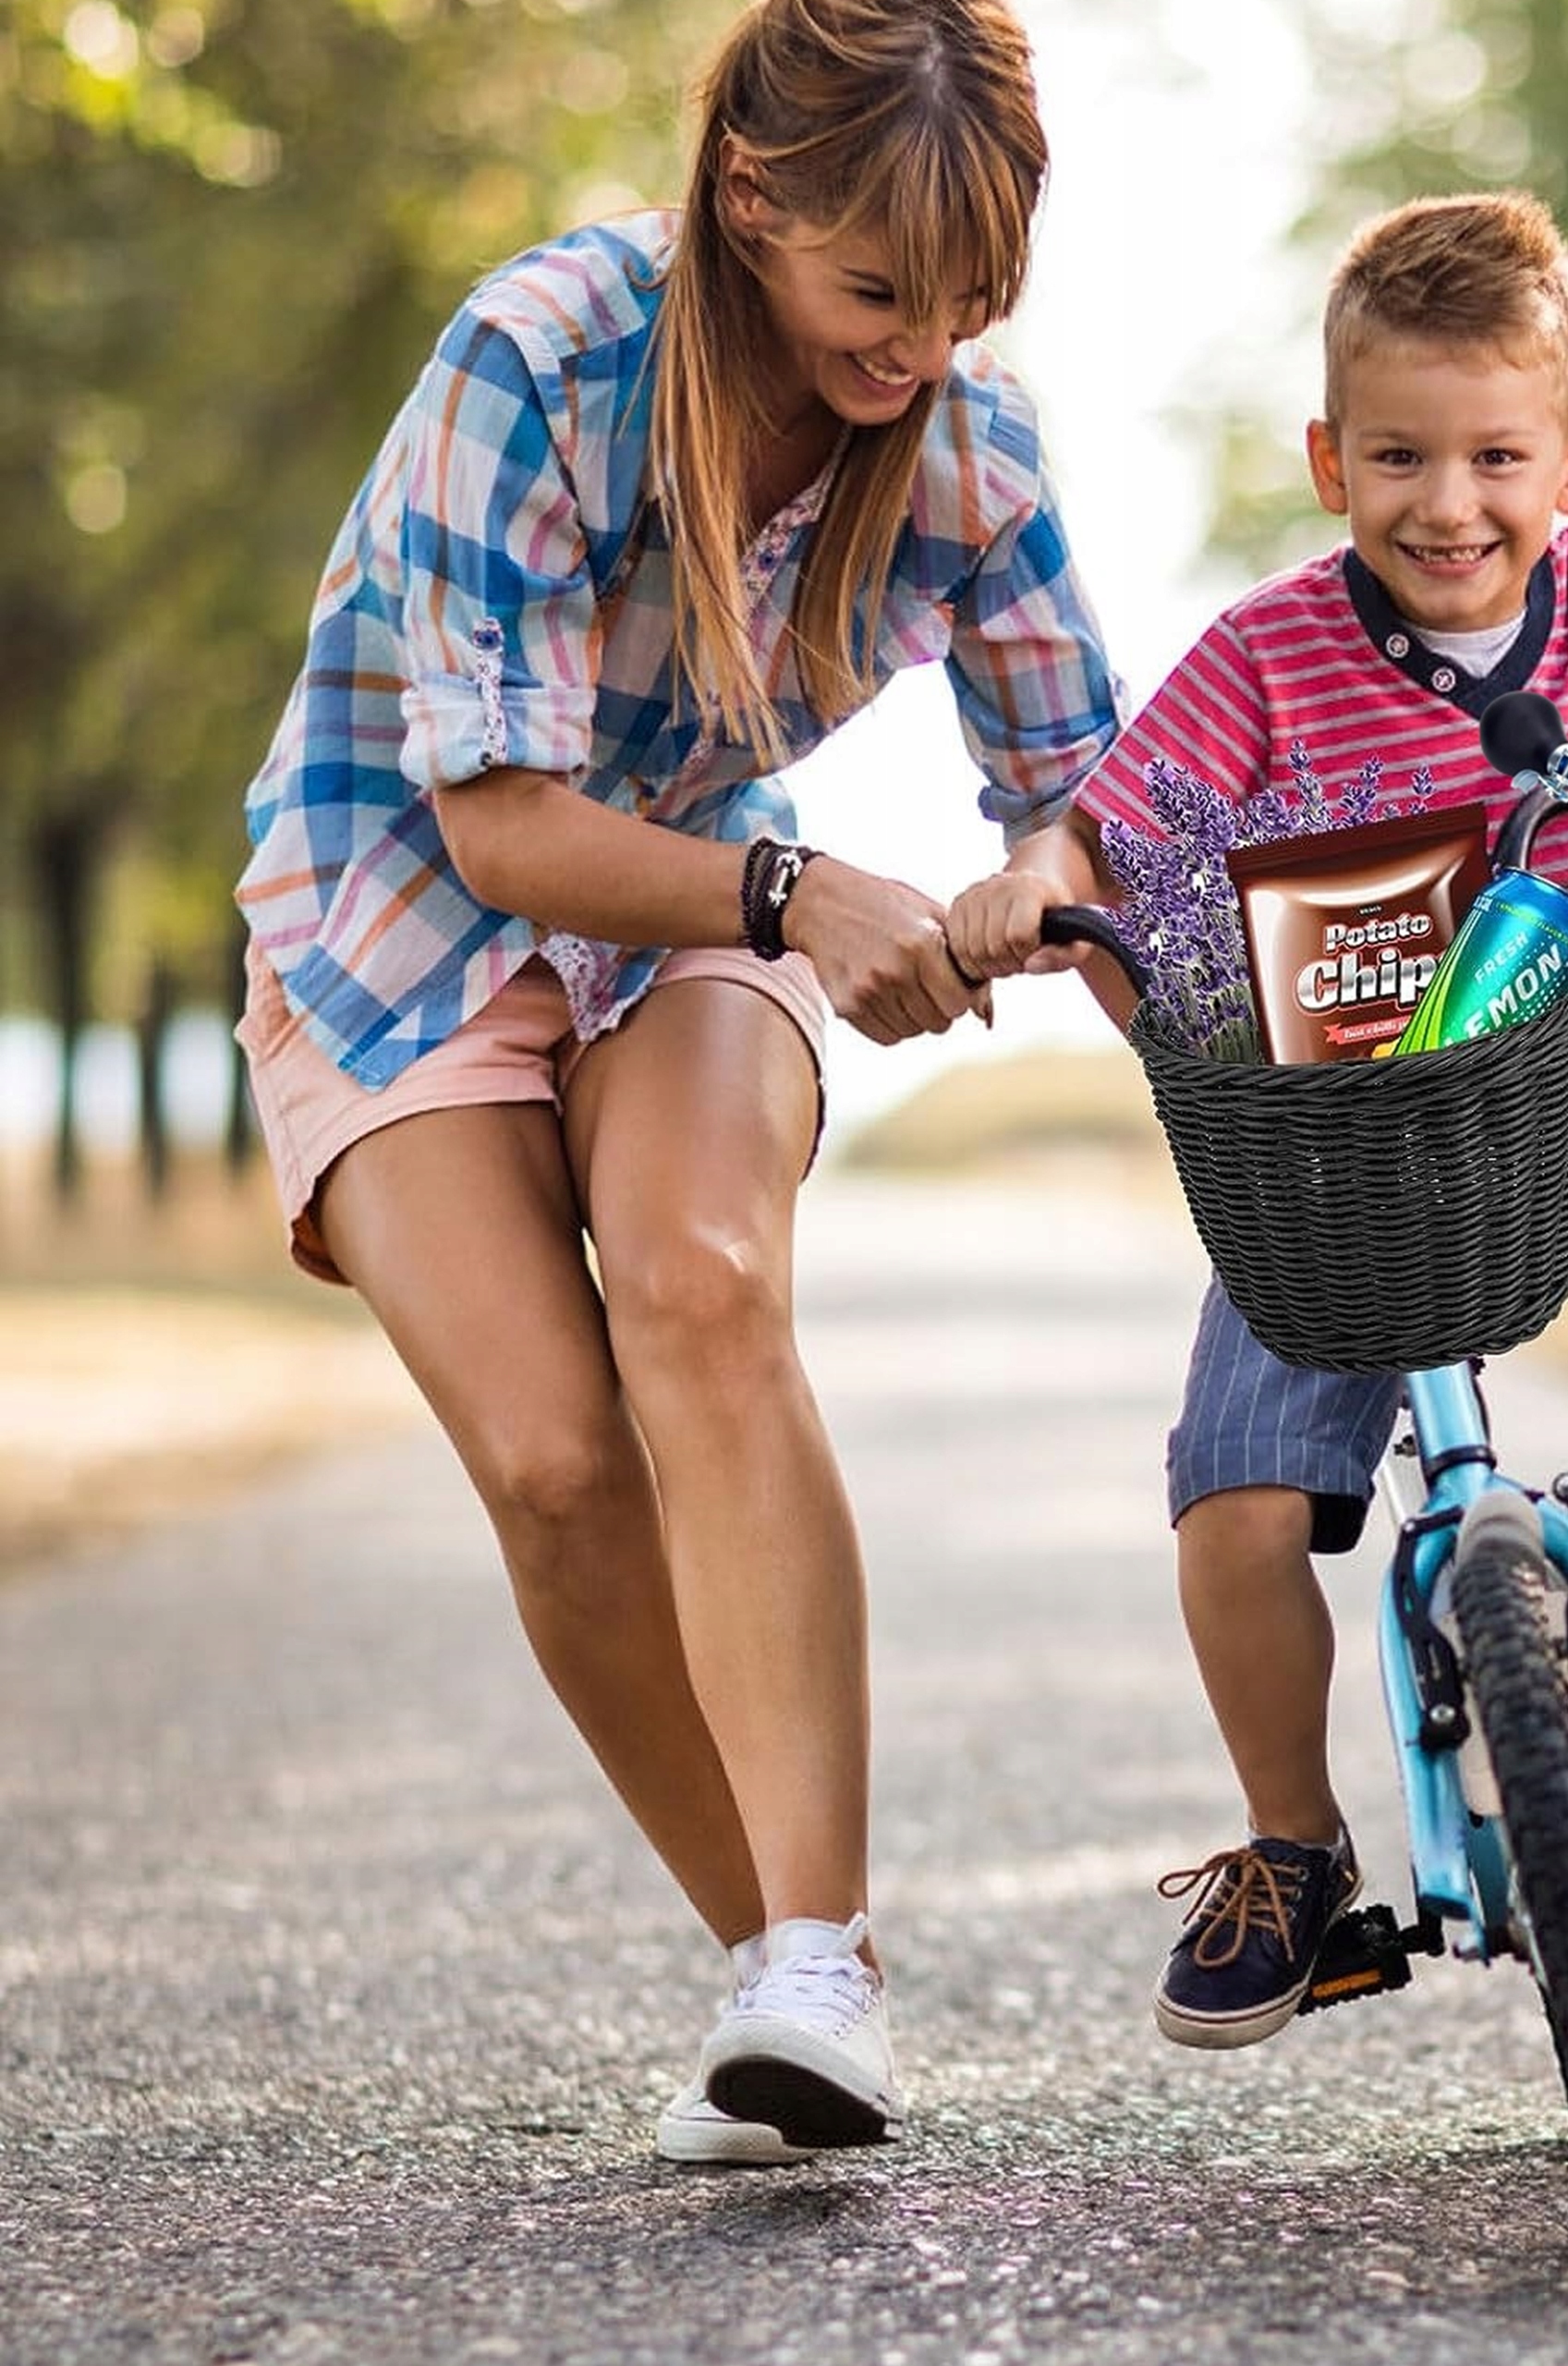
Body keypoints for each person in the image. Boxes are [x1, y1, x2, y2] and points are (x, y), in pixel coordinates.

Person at [235, 0, 1120, 2163]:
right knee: (550, 1458)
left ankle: (813, 1962)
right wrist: (804, 886)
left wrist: (1060, 905)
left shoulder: (966, 451)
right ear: (751, 196)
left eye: (968, 299)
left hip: (692, 920)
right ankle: (788, 1972)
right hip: (399, 910)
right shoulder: (540, 356)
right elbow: (505, 830)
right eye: (875, 294)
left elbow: (1090, 797)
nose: (916, 351)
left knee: (701, 1276)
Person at [945, 190, 1568, 2049]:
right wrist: (1031, 878)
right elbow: (1107, 821)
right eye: (1397, 454)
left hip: (1549, 1075)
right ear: (1329, 461)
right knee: (1230, 1507)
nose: (1447, 501)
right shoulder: (1262, 649)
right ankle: (1291, 1854)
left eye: (1496, 455)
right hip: (1317, 1137)